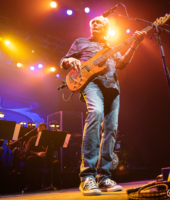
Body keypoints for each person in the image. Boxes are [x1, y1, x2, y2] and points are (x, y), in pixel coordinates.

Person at [61, 16, 146, 196]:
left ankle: (104, 177)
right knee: (96, 113)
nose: (94, 26)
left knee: (111, 128)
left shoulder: (112, 48)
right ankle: (88, 177)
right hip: (91, 84)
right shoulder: (81, 42)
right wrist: (70, 61)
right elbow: (64, 61)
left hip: (112, 87)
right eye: (92, 24)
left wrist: (135, 45)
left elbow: (122, 64)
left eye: (98, 23)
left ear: (106, 28)